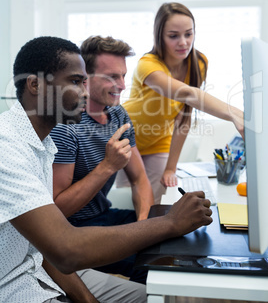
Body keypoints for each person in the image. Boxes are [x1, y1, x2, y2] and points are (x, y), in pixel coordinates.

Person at [0, 35, 213, 303]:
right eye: (77, 82)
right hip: (15, 284)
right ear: (35, 85)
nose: (85, 92)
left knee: (164, 295)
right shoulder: (7, 147)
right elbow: (64, 246)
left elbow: (42, 251)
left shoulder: (44, 145)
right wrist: (169, 223)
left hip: (41, 268)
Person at [50, 35, 154, 282]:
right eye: (111, 77)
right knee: (149, 264)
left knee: (170, 239)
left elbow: (140, 180)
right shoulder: (67, 126)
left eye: (123, 75)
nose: (122, 85)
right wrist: (108, 166)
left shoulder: (118, 115)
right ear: (85, 79)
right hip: (74, 230)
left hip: (106, 216)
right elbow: (57, 209)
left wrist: (142, 228)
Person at [116, 2, 244, 203]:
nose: (183, 42)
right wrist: (234, 114)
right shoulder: (147, 64)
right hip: (127, 136)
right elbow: (186, 93)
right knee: (132, 201)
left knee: (156, 201)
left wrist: (170, 168)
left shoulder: (198, 63)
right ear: (160, 36)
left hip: (159, 140)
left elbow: (184, 115)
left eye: (188, 34)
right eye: (173, 36)